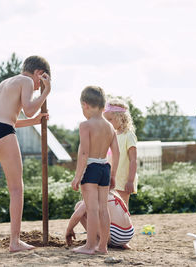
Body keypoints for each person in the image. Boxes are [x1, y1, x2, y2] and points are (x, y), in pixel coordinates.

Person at [0, 55, 51, 252]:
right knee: (16, 188)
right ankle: (15, 242)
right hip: (1, 131)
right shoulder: (26, 80)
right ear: (38, 73)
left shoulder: (5, 82)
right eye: (40, 82)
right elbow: (28, 110)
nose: (38, 87)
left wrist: (34, 122)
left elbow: (8, 119)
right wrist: (46, 93)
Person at [71, 86, 120, 255]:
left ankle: (90, 246)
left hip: (91, 168)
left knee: (91, 210)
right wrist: (113, 175)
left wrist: (77, 176)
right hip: (105, 168)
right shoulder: (110, 127)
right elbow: (116, 152)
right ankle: (103, 246)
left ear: (85, 105)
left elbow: (84, 153)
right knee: (103, 210)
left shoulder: (85, 125)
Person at [65, 191, 134, 250]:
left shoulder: (94, 194)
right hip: (128, 234)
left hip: (114, 235)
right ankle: (122, 244)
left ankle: (96, 241)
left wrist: (69, 230)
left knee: (79, 205)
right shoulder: (113, 193)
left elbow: (78, 215)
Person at [103, 99, 138, 208]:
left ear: (121, 117)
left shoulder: (129, 135)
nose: (108, 123)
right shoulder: (111, 136)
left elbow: (133, 160)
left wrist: (130, 181)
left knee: (123, 208)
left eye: (110, 119)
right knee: (112, 208)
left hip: (124, 180)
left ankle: (127, 226)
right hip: (112, 178)